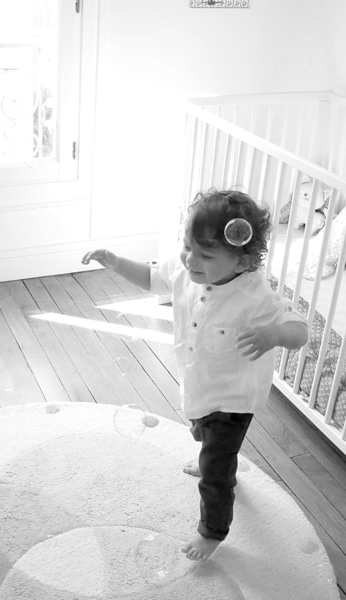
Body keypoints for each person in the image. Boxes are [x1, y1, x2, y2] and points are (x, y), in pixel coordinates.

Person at [81, 188, 309, 562]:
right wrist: (115, 261)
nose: (190, 259)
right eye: (187, 246)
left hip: (235, 397)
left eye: (205, 255)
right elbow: (153, 277)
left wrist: (274, 335)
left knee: (215, 472)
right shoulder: (186, 269)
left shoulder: (254, 296)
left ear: (243, 261)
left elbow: (299, 330)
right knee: (202, 431)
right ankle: (212, 455)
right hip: (199, 385)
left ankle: (212, 531)